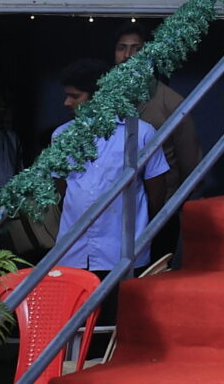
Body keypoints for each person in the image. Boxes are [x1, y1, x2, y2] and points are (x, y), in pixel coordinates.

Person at [50, 58, 168, 276]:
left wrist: (139, 228)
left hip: (122, 250)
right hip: (72, 251)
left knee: (122, 299)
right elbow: (62, 188)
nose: (67, 102)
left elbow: (157, 192)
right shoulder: (61, 135)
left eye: (75, 96)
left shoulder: (140, 133)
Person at [113, 24, 202, 259]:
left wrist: (173, 204)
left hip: (161, 205)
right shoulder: (105, 97)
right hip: (115, 207)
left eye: (137, 49)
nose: (128, 55)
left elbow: (190, 160)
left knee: (155, 270)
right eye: (122, 48)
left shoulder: (171, 102)